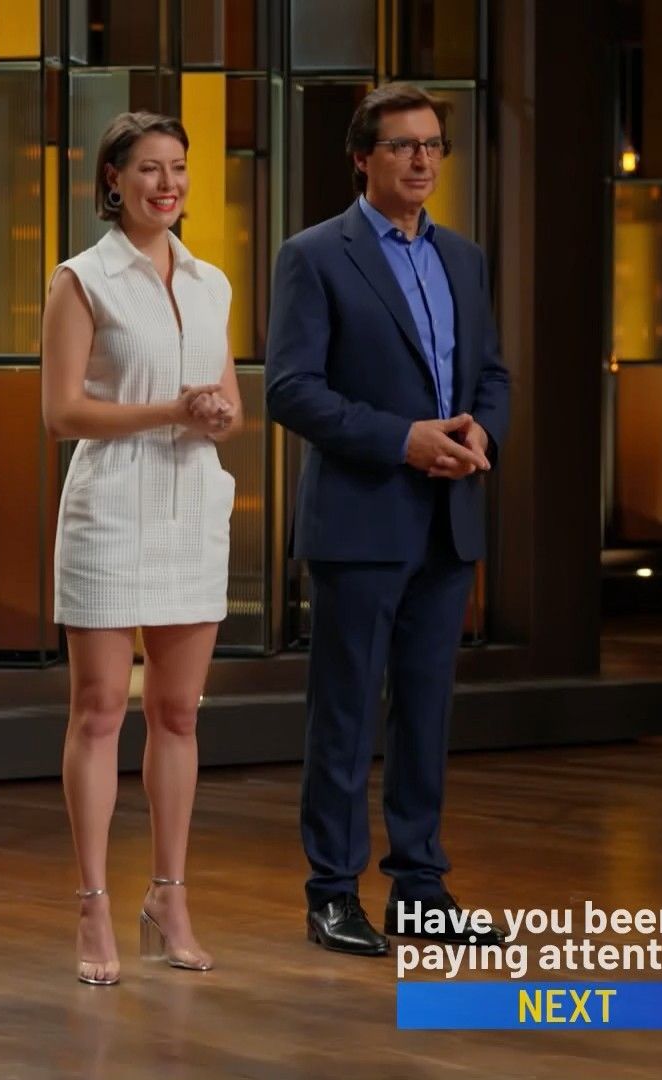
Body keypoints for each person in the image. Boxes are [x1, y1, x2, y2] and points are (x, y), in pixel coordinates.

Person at [264, 83, 511, 957]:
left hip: (449, 519)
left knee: (426, 712)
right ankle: (332, 893)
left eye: (433, 144)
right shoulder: (314, 255)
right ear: (362, 158)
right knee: (344, 715)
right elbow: (291, 390)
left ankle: (420, 889)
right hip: (361, 521)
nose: (422, 160)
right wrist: (403, 440)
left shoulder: (464, 258)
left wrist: (482, 432)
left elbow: (491, 374)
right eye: (404, 145)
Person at [41, 111, 239, 987]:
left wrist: (219, 414)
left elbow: (227, 403)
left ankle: (169, 895)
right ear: (113, 181)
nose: (168, 184)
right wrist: (172, 410)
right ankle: (92, 902)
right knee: (97, 711)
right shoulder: (81, 280)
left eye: (179, 168)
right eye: (150, 169)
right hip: (112, 507)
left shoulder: (210, 281)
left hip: (190, 505)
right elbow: (62, 413)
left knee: (179, 713)